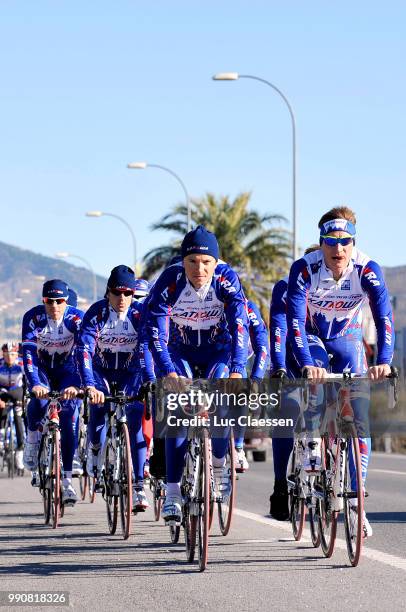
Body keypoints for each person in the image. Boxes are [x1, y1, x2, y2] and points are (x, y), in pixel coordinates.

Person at [286, 206, 394, 536]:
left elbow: (383, 317)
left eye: (344, 242)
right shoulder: (304, 269)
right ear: (320, 244)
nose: (338, 249)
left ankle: (356, 503)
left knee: (359, 421)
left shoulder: (367, 269)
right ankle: (313, 442)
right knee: (315, 375)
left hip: (347, 340)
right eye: (330, 242)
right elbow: (293, 323)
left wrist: (384, 360)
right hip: (314, 336)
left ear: (353, 242)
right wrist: (304, 362)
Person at [145, 225, 249, 522]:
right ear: (183, 262)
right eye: (192, 261)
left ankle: (217, 465)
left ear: (216, 263)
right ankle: (173, 492)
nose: (199, 269)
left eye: (206, 262)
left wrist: (239, 369)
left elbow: (239, 324)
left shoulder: (226, 279)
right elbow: (155, 331)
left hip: (218, 350)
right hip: (181, 352)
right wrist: (166, 371)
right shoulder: (171, 280)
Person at [77, 265, 155, 511]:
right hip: (102, 371)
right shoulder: (96, 314)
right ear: (107, 292)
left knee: (134, 420)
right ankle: (95, 450)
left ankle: (139, 486)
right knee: (98, 410)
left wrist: (149, 381)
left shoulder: (141, 314)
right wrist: (90, 385)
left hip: (131, 371)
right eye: (117, 293)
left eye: (128, 293)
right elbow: (84, 351)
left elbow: (146, 350)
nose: (122, 299)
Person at [22, 279, 83, 504]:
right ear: (43, 300)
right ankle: (31, 440)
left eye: (60, 301)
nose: (54, 306)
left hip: (68, 370)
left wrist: (77, 385)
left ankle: (67, 481)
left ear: (66, 301)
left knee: (68, 418)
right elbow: (28, 355)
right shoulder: (33, 317)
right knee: (38, 402)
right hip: (42, 368)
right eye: (49, 301)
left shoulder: (76, 318)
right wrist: (35, 383)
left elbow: (83, 355)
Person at [233, 299, 269, 472]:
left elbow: (262, 349)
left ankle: (238, 448)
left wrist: (256, 380)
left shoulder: (249, 309)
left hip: (241, 360)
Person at [0, 342, 25, 470]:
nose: (10, 357)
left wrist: (25, 399)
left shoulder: (21, 365)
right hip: (2, 392)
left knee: (19, 418)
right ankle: (1, 438)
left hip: (17, 393)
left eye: (13, 354)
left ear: (17, 355)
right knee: (2, 413)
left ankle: (20, 450)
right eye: (6, 354)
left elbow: (28, 382)